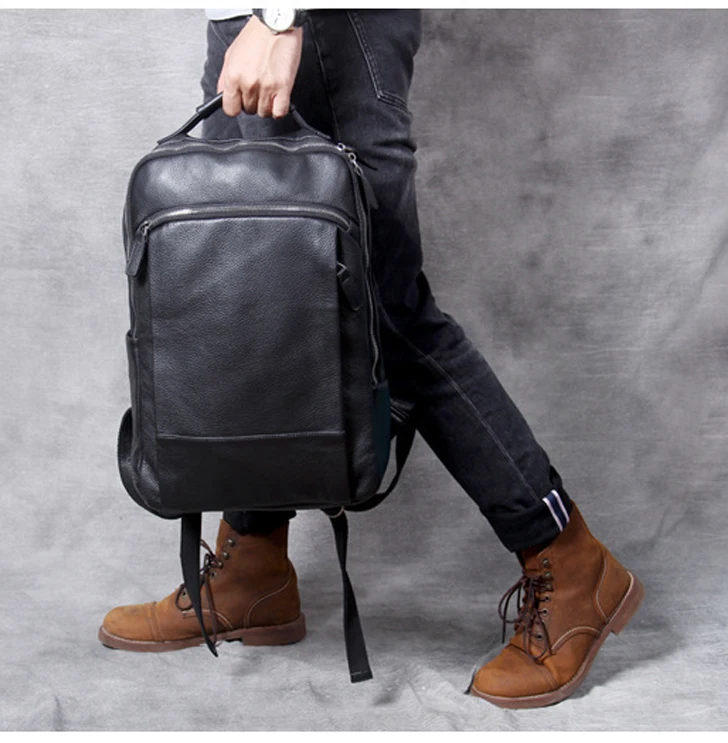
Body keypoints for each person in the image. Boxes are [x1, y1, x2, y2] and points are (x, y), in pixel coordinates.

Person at [98, 9, 644, 709]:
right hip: (249, 21)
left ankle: (567, 558)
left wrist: (278, 19)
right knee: (255, 298)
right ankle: (253, 565)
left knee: (386, 317)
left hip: (326, 25)